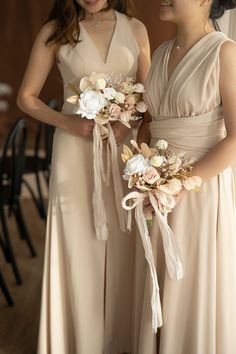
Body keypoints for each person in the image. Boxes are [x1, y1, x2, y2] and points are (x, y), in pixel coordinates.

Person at [17, 1, 150, 353]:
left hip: (124, 151)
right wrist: (68, 121)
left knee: (125, 240)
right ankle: (78, 342)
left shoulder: (136, 28)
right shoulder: (55, 31)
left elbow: (149, 95)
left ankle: (122, 340)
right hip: (74, 150)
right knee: (79, 240)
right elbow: (26, 98)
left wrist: (129, 123)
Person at [136, 0, 236, 353]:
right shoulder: (162, 52)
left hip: (199, 189)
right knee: (159, 276)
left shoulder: (225, 53)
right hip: (157, 186)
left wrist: (180, 184)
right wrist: (142, 171)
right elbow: (151, 126)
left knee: (191, 279)